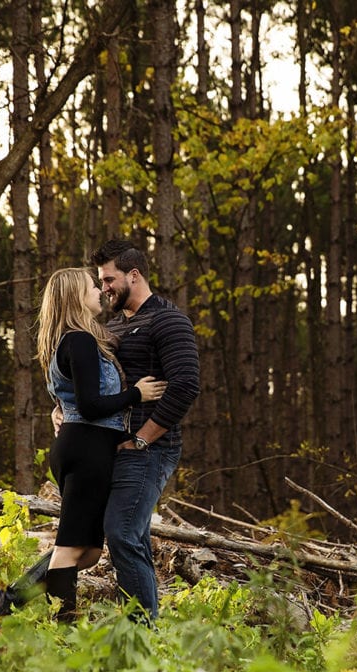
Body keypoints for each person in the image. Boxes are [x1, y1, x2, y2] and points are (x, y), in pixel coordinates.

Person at [0, 267, 166, 622]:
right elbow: (89, 404)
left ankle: (8, 600)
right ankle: (63, 635)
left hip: (84, 446)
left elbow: (72, 398)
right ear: (75, 297)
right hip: (87, 450)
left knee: (88, 554)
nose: (99, 290)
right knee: (69, 551)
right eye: (91, 286)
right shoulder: (78, 340)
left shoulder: (75, 340)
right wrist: (136, 394)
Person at [88, 239, 200, 621]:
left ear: (134, 275)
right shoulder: (115, 324)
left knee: (120, 532)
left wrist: (142, 438)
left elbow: (186, 386)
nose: (104, 289)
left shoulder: (169, 320)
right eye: (101, 282)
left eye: (109, 280)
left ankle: (141, 636)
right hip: (114, 446)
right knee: (117, 533)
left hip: (150, 448)